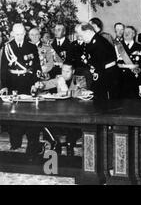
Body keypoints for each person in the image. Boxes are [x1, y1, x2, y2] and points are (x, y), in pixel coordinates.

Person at [0, 24, 43, 158]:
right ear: (12, 33)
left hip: (28, 84)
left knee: (31, 114)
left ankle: (33, 143)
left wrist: (36, 82)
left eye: (22, 34)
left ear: (25, 33)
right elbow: (3, 69)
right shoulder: (7, 47)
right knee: (14, 114)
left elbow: (37, 66)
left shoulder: (32, 47)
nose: (19, 36)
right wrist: (3, 86)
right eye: (17, 34)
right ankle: (15, 142)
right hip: (13, 84)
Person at [32, 63, 86, 156]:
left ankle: (70, 146)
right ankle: (55, 142)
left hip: (75, 114)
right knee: (44, 121)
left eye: (67, 71)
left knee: (73, 129)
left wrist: (67, 93)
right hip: (60, 112)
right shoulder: (59, 79)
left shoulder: (80, 79)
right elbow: (48, 84)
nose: (64, 74)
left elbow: (83, 92)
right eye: (63, 71)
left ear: (73, 71)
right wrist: (40, 84)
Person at [77, 23, 120, 100]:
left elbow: (100, 67)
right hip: (101, 77)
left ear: (88, 31)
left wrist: (93, 90)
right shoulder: (92, 42)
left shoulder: (99, 43)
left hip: (107, 79)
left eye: (81, 35)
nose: (80, 38)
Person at [116, 26, 141, 99]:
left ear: (134, 34)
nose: (126, 34)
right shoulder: (117, 46)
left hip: (135, 81)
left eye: (128, 32)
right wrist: (126, 66)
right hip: (120, 80)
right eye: (125, 32)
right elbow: (114, 63)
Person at [70, 24, 93, 89]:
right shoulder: (72, 44)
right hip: (75, 69)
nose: (78, 34)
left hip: (86, 69)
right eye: (76, 33)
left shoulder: (88, 44)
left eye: (79, 32)